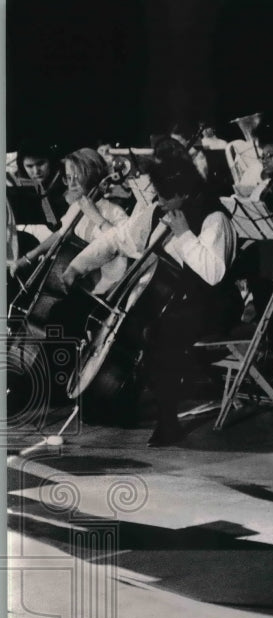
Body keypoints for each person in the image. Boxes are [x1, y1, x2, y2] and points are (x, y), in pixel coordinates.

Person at [62, 156, 242, 446]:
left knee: (159, 333)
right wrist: (78, 267)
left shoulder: (214, 218)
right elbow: (118, 239)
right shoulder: (161, 211)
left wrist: (184, 235)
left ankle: (168, 420)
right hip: (170, 300)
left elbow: (213, 273)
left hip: (212, 305)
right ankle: (114, 396)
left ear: (183, 194)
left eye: (162, 196)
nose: (157, 201)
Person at [9, 148, 129, 294]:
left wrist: (96, 216)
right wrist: (26, 259)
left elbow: (124, 245)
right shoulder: (76, 206)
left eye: (76, 177)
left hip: (106, 288)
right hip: (79, 284)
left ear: (93, 176)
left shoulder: (114, 211)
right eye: (68, 177)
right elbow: (61, 233)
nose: (71, 184)